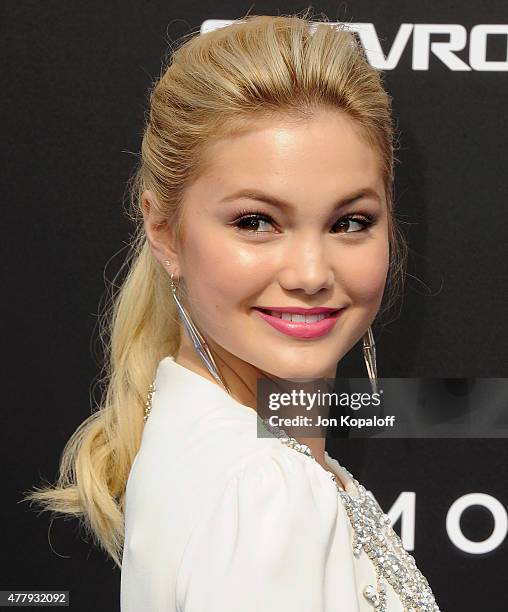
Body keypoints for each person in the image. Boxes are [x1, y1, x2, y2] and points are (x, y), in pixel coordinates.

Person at [23, 10, 441, 611]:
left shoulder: (219, 444)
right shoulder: (264, 492)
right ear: (164, 230)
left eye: (350, 222)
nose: (310, 274)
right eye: (256, 222)